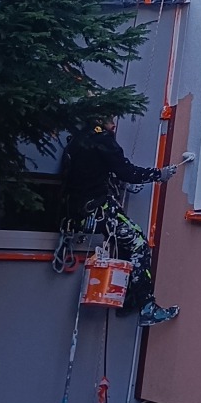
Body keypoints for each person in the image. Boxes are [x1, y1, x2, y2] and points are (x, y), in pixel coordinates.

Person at [58, 118, 179, 326]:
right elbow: (127, 171)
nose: (114, 124)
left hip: (79, 212)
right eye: (109, 120)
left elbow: (91, 172)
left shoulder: (77, 141)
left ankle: (128, 298)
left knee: (125, 245)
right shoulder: (103, 140)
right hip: (99, 209)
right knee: (139, 244)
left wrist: (120, 181)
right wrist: (158, 174)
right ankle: (146, 306)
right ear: (98, 120)